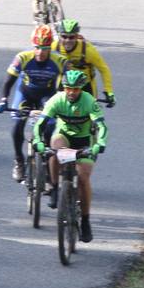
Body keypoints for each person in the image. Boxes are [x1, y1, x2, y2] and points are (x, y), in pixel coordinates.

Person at [34, 70, 108, 242]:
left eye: (75, 89)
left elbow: (102, 126)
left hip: (84, 141)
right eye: (68, 88)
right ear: (64, 88)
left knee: (83, 177)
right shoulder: (56, 100)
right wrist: (38, 141)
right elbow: (40, 124)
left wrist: (100, 143)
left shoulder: (89, 101)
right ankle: (54, 187)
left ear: (81, 89)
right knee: (54, 149)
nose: (72, 92)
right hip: (64, 136)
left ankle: (86, 221)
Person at [0, 25, 64, 181]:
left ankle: (47, 164)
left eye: (45, 48)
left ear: (50, 47)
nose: (40, 52)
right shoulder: (22, 58)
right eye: (37, 47)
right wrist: (3, 100)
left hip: (47, 96)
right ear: (33, 46)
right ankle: (19, 160)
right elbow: (8, 82)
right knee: (18, 124)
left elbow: (69, 83)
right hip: (25, 94)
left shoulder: (60, 60)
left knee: (50, 127)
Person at [54, 19, 116, 105]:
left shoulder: (87, 50)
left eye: (71, 37)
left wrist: (108, 91)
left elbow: (104, 69)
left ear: (77, 36)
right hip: (64, 85)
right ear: (59, 36)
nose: (67, 40)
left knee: (92, 114)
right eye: (64, 37)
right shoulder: (54, 46)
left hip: (86, 86)